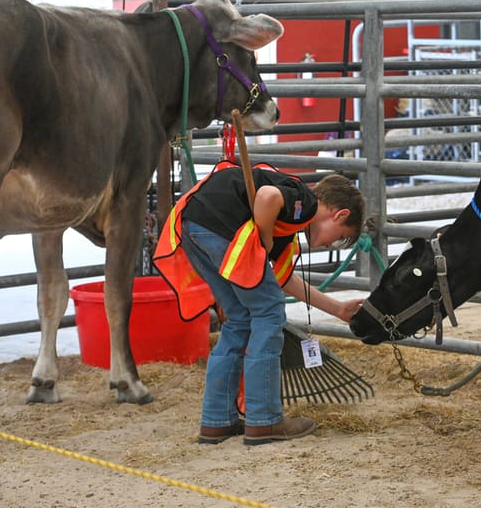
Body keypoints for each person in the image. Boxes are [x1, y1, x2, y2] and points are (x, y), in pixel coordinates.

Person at [153, 161, 365, 446]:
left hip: (193, 227)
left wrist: (337, 309)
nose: (330, 245)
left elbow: (283, 280)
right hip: (220, 228)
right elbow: (268, 196)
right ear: (340, 215)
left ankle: (217, 421)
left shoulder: (286, 226)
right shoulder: (305, 201)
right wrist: (263, 238)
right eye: (339, 238)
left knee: (240, 318)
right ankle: (264, 419)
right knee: (269, 313)